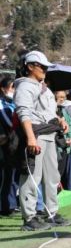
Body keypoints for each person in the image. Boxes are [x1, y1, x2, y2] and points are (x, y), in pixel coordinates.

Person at [14, 51, 71, 230]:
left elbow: (47, 112)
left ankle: (51, 213)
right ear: (30, 66)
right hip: (36, 135)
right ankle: (29, 217)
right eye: (42, 66)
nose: (45, 70)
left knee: (52, 176)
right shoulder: (25, 86)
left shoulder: (44, 88)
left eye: (46, 67)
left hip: (49, 135)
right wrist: (31, 138)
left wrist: (59, 119)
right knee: (32, 176)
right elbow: (23, 112)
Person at [0, 77, 18, 216]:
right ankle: (4, 206)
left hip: (11, 144)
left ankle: (10, 205)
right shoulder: (2, 105)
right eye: (12, 87)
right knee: (4, 177)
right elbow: (9, 123)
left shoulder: (14, 103)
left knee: (10, 176)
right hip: (4, 144)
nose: (14, 90)